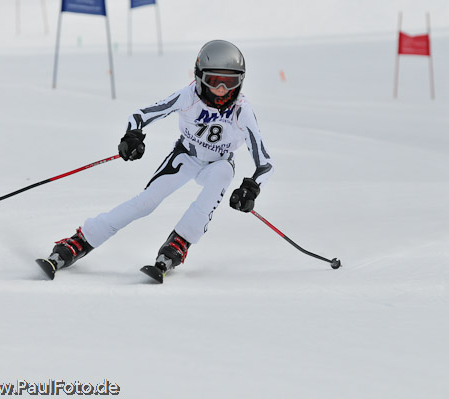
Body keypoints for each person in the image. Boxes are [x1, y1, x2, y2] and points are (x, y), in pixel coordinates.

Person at [39, 40, 274, 281]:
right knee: (146, 203)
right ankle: (81, 240)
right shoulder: (189, 95)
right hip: (185, 157)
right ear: (200, 77)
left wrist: (251, 189)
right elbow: (140, 116)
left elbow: (265, 163)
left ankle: (179, 244)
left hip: (217, 163)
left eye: (230, 81)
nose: (222, 88)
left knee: (224, 173)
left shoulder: (241, 110)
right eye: (215, 81)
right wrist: (132, 136)